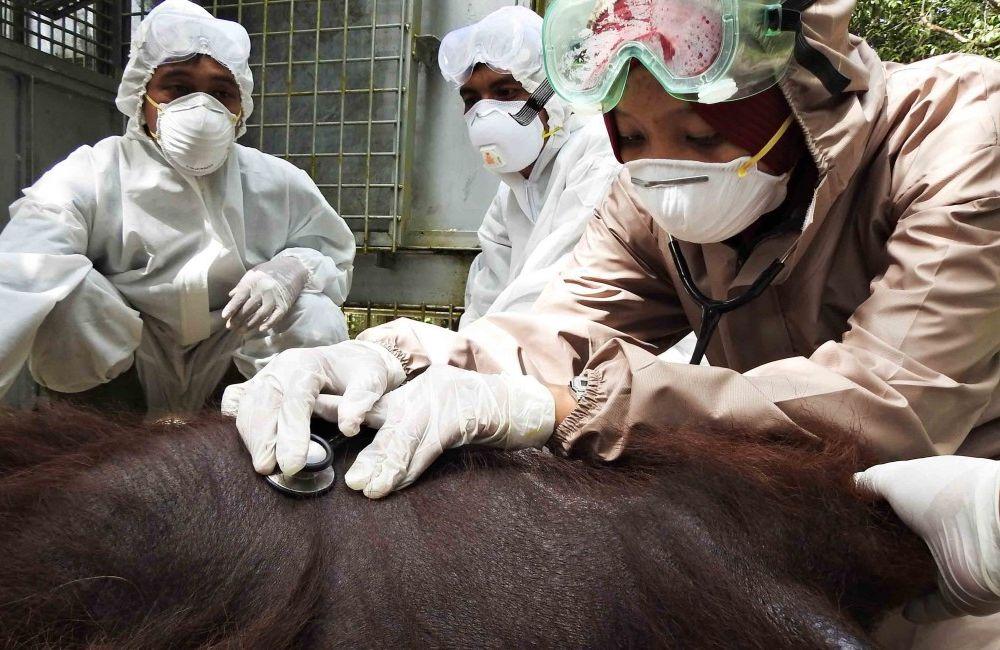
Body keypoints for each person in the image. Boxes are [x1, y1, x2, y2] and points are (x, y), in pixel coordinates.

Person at [223, 0, 999, 634]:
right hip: (795, 493)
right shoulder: (645, 199)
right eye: (633, 136)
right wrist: (405, 356)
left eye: (701, 134)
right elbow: (566, 325)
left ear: (801, 85)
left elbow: (887, 407)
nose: (668, 165)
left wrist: (564, 409)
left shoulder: (961, 134)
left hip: (964, 514)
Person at [0, 0, 354, 415]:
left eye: (222, 92)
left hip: (232, 359)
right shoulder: (94, 171)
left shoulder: (276, 182)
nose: (202, 107)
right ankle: (95, 438)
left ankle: (255, 440)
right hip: (129, 360)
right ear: (141, 94)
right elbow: (21, 269)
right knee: (69, 297)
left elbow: (333, 256)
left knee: (312, 314)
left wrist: (294, 267)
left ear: (241, 107)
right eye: (179, 87)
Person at [438, 7, 623, 332]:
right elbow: (485, 305)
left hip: (621, 365)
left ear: (548, 91)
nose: (485, 113)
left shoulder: (598, 155)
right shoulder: (510, 194)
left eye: (505, 93)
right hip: (539, 358)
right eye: (471, 99)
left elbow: (557, 291)